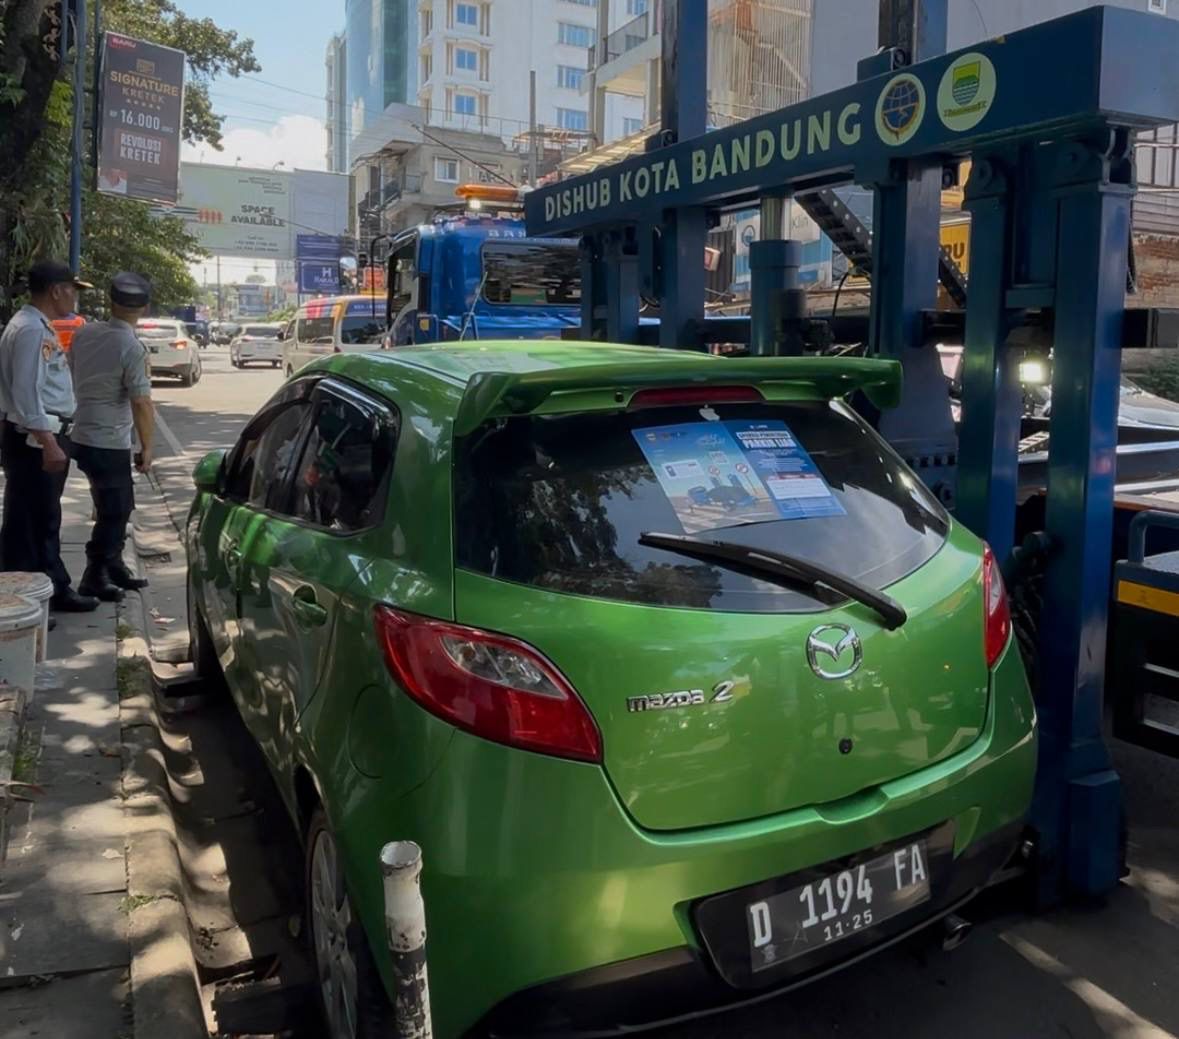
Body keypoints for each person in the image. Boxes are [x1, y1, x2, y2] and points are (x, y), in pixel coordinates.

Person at [0, 260, 98, 612]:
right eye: (72, 291)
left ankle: (43, 591)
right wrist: (48, 441)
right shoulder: (31, 330)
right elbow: (27, 391)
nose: (74, 298)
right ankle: (33, 597)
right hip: (34, 439)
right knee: (35, 521)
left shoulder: (32, 325)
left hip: (33, 436)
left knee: (32, 518)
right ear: (57, 291)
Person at [68, 272, 155, 602]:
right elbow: (141, 401)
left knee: (117, 504)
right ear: (144, 308)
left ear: (110, 301)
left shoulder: (84, 333)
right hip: (109, 439)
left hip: (81, 431)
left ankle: (115, 566)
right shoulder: (131, 347)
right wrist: (148, 447)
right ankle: (95, 575)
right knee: (115, 510)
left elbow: (72, 370)